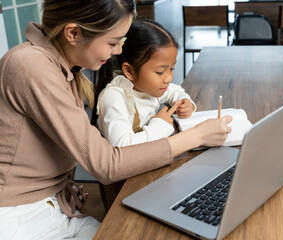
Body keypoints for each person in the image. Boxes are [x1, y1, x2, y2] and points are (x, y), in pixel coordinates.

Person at [0, 0, 232, 239]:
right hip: (19, 218)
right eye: (113, 42)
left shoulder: (62, 67)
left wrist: (62, 187)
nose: (119, 50)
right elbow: (107, 165)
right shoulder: (31, 66)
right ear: (73, 33)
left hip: (53, 210)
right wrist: (195, 136)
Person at [95, 19, 196, 147]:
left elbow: (175, 91)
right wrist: (160, 125)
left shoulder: (149, 87)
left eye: (171, 69)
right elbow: (122, 147)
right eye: (160, 72)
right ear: (129, 71)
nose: (169, 78)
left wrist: (185, 103)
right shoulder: (115, 97)